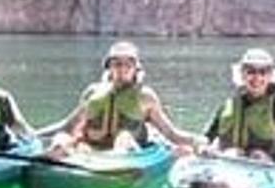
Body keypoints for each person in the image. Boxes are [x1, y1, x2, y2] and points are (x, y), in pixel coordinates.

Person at [49, 41, 197, 153]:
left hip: (126, 154)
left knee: (124, 138)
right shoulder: (92, 92)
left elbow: (170, 133)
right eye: (117, 64)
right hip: (89, 150)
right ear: (109, 67)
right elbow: (67, 126)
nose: (122, 69)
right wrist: (37, 135)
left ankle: (113, 167)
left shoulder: (146, 97)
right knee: (61, 139)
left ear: (136, 69)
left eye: (128, 64)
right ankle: (52, 159)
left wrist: (197, 141)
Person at [201, 48, 275, 160]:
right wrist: (203, 147)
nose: (257, 78)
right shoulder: (228, 104)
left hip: (265, 164)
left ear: (270, 76)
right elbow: (207, 136)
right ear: (242, 75)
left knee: (257, 155)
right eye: (251, 72)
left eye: (263, 72)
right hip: (227, 162)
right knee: (232, 153)